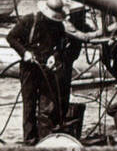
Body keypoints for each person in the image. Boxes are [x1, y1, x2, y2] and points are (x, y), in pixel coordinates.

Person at [6, 8, 81, 143]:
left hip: (46, 69)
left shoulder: (57, 25)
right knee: (29, 106)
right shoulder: (29, 20)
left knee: (46, 107)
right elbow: (11, 37)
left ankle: (44, 140)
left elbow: (60, 46)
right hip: (29, 69)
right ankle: (29, 142)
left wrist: (55, 56)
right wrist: (24, 53)